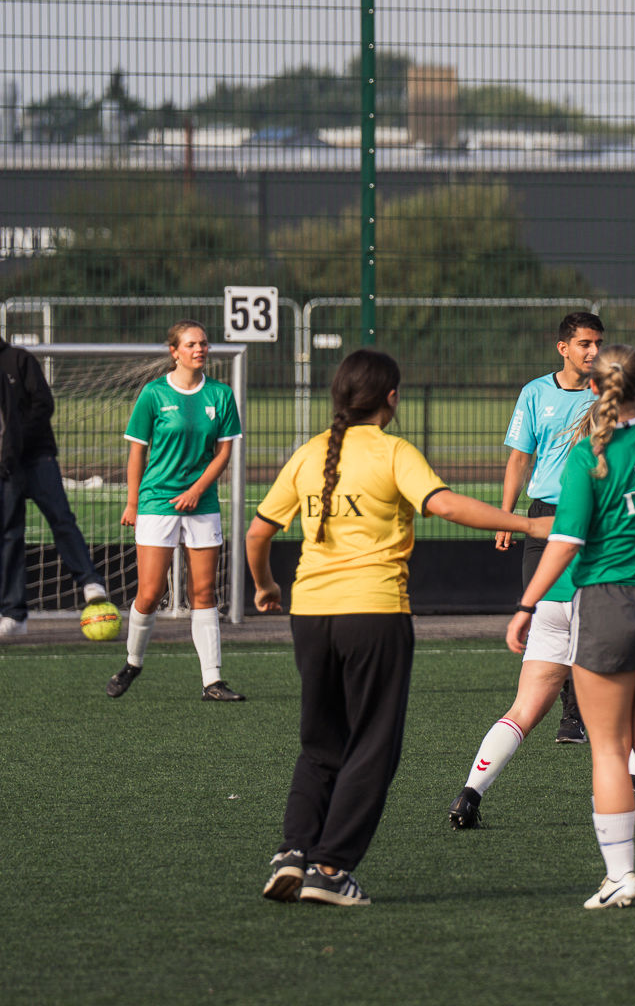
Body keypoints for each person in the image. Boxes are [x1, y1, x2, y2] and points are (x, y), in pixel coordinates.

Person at [249, 349, 544, 906]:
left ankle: (294, 852)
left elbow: (258, 533)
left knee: (320, 742)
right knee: (373, 746)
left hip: (310, 613)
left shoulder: (309, 454)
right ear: (391, 398)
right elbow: (447, 506)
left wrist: (266, 587)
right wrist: (529, 521)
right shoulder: (392, 452)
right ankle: (331, 871)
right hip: (374, 612)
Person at [451, 372, 635, 830]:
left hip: (551, 596)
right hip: (601, 601)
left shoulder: (581, 461)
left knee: (523, 710)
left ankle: (469, 795)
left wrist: (526, 604)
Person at [511, 344, 635, 908]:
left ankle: (621, 876)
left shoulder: (587, 457)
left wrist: (527, 605)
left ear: (595, 389)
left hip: (606, 605)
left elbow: (567, 541)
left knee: (607, 748)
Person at [107, 320, 244, 701]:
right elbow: (137, 451)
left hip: (203, 505)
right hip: (156, 502)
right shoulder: (153, 394)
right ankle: (133, 663)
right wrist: (133, 503)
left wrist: (197, 490)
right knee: (149, 593)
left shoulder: (220, 395)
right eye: (190, 344)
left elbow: (224, 453)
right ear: (174, 351)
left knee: (204, 591)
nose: (199, 349)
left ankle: (212, 682)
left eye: (203, 343)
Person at [497, 310, 604, 745]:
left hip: (592, 514)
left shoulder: (607, 395)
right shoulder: (535, 393)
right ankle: (566, 702)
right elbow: (520, 458)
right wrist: (506, 516)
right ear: (563, 348)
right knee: (542, 607)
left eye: (598, 343)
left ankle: (577, 713)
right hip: (542, 514)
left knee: (586, 610)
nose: (594, 351)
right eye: (585, 344)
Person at [0, 331, 111, 638]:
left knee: (61, 518)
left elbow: (43, 404)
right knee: (10, 535)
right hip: (5, 466)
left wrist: (16, 439)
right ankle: (14, 614)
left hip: (37, 458)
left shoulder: (19, 359)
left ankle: (90, 582)